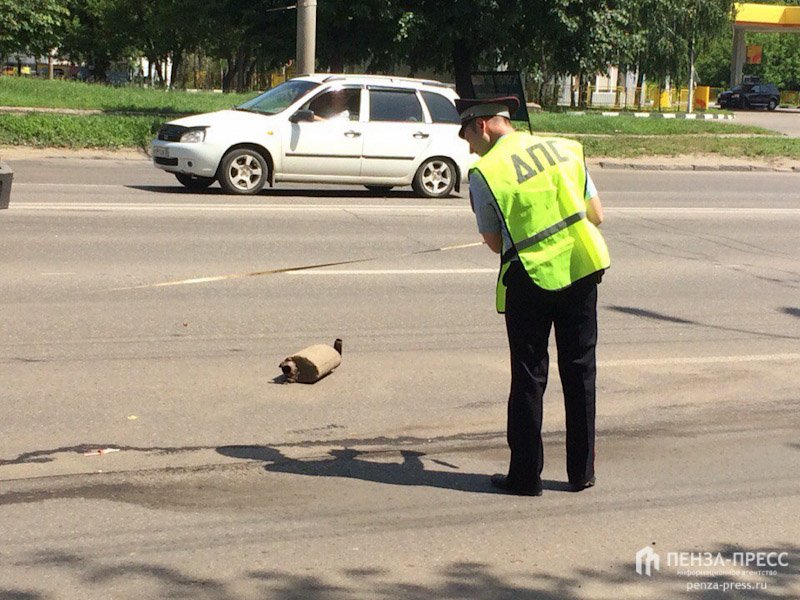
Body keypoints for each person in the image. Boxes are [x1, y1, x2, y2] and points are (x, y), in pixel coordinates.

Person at [457, 96, 610, 497]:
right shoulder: (565, 148)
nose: (469, 147)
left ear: (483, 126)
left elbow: (493, 244)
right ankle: (582, 472)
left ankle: (526, 477)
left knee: (529, 377)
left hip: (531, 277)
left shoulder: (485, 172)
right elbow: (596, 214)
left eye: (468, 136)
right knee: (580, 374)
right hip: (580, 268)